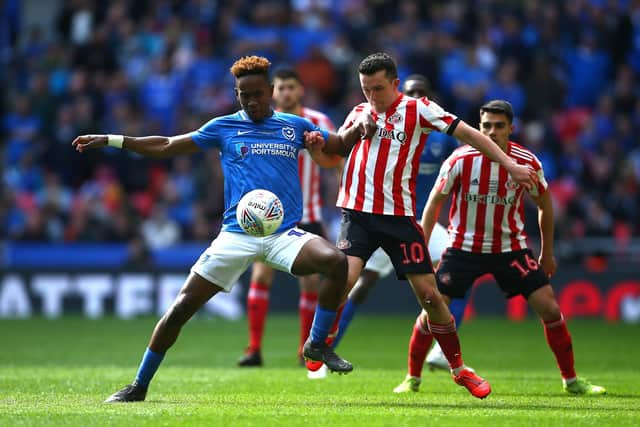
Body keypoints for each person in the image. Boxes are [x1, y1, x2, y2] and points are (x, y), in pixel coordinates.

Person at [73, 56, 364, 403]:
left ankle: (316, 345)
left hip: (281, 235)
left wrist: (362, 128)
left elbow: (340, 146)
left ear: (270, 92)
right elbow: (166, 145)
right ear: (237, 95)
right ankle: (138, 385)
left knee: (335, 261)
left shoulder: (295, 127)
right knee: (180, 309)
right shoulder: (223, 127)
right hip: (236, 236)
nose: (252, 101)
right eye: (244, 96)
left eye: (258, 94)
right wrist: (112, 139)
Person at [307, 53, 537, 399]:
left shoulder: (419, 109)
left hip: (400, 219)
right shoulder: (357, 113)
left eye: (379, 89)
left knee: (431, 296)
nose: (372, 96)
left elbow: (472, 135)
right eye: (366, 89)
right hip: (357, 215)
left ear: (396, 84)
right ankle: (318, 344)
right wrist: (315, 152)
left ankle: (458, 368)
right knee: (345, 278)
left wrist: (509, 165)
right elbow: (332, 158)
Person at [393, 99, 606, 396]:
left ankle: (571, 380)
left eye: (498, 126)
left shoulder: (527, 162)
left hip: (510, 248)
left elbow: (544, 204)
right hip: (462, 247)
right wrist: (423, 250)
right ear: (478, 128)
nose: (491, 132)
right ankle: (412, 378)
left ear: (511, 128)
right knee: (432, 308)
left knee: (550, 306)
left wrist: (546, 252)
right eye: (486, 126)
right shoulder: (460, 160)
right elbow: (433, 205)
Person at [331, 73, 468, 373]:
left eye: (422, 92)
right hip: (386, 214)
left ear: (429, 96)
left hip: (421, 221)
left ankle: (440, 353)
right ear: (400, 93)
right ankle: (327, 347)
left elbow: (452, 180)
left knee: (458, 268)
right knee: (360, 284)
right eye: (411, 92)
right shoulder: (383, 125)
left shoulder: (439, 138)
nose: (417, 97)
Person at [237, 68, 338, 374]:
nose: (285, 93)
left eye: (291, 87)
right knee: (260, 278)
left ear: (300, 90)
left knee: (310, 283)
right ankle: (254, 349)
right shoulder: (262, 123)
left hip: (308, 214)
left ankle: (304, 349)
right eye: (281, 88)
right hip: (267, 217)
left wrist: (346, 193)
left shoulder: (318, 122)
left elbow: (337, 160)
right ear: (273, 91)